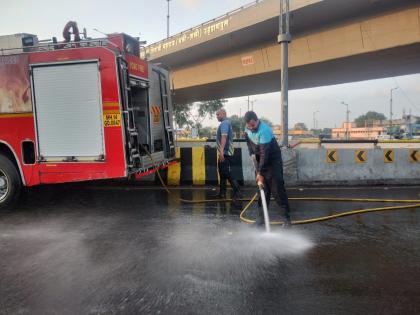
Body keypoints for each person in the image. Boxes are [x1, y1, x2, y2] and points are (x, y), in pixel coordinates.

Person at [244, 111, 291, 227]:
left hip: (272, 161)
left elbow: (265, 153)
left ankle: (286, 219)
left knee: (277, 190)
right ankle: (261, 219)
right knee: (262, 191)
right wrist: (255, 163)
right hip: (261, 161)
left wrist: (260, 172)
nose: (251, 128)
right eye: (249, 126)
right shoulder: (247, 129)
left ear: (257, 120)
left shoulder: (264, 130)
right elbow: (250, 147)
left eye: (253, 125)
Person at [214, 109, 241, 200]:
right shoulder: (225, 123)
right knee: (222, 173)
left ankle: (237, 190)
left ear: (224, 114)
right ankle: (222, 193)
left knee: (225, 172)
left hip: (225, 152)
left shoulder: (224, 123)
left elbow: (224, 137)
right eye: (216, 115)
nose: (217, 116)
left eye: (218, 114)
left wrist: (221, 152)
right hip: (224, 152)